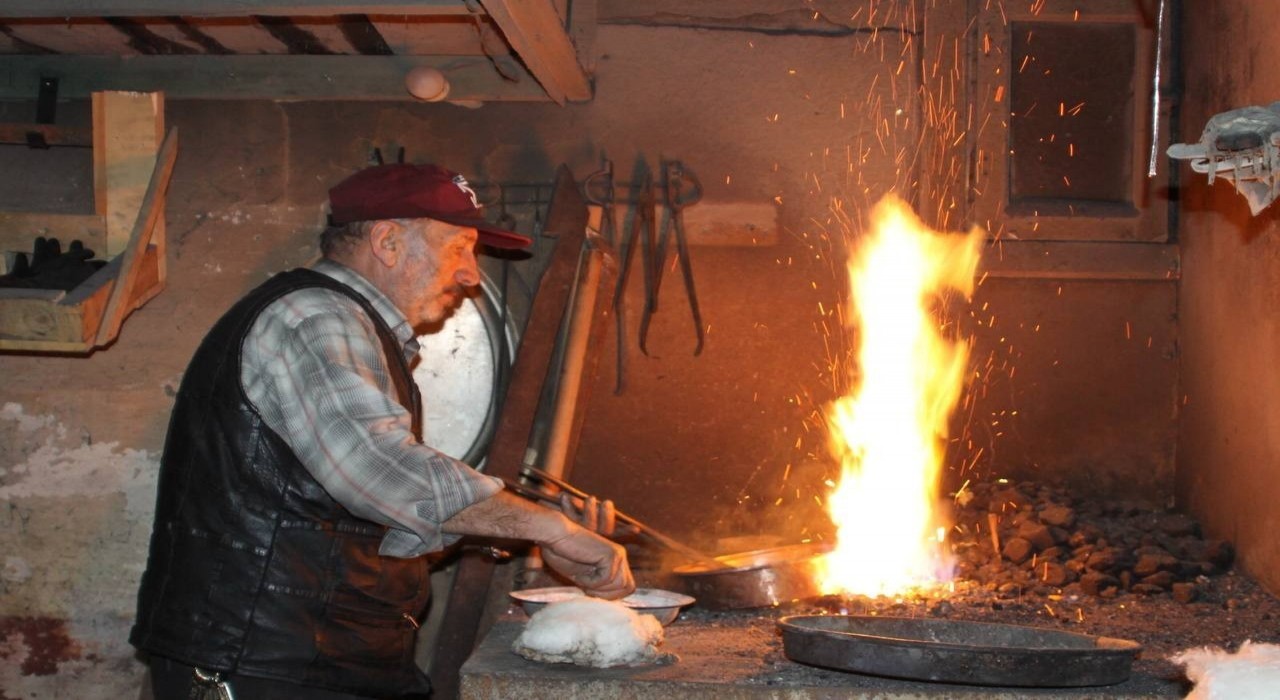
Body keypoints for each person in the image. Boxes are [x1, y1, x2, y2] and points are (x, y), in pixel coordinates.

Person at [130, 163, 634, 700]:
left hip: (316, 660)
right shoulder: (315, 317)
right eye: (459, 248)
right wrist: (550, 528)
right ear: (387, 241)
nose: (469, 274)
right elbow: (384, 474)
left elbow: (362, 523)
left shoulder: (356, 328)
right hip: (264, 665)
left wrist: (511, 535)